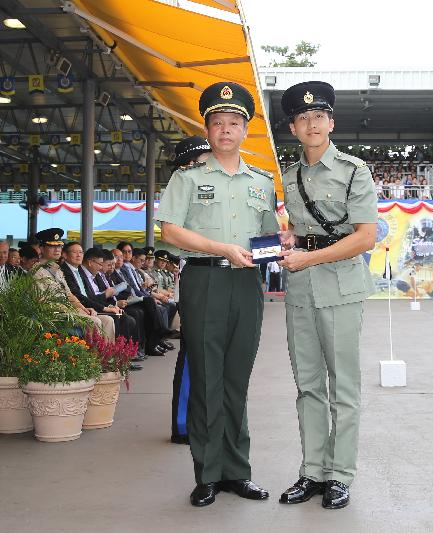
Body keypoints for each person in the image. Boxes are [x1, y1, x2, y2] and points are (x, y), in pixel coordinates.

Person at [157, 81, 279, 507]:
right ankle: (207, 473)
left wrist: (284, 240)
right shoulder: (187, 178)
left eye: (234, 123)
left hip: (247, 284)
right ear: (207, 130)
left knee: (237, 378)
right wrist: (221, 247)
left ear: (245, 130)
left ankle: (236, 472)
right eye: (217, 123)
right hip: (204, 280)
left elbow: (268, 237)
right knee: (207, 376)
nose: (225, 130)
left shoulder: (262, 182)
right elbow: (170, 229)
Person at [277, 81, 378, 510]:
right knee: (308, 387)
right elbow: (298, 232)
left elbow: (365, 238)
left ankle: (340, 475)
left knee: (344, 389)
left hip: (341, 286)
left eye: (319, 116)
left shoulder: (355, 170)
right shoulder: (288, 175)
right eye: (303, 118)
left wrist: (307, 258)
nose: (312, 123)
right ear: (294, 128)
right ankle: (312, 471)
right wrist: (287, 242)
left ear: (331, 123)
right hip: (300, 290)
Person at [166, 136, 212, 447]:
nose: (193, 168)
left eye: (198, 161)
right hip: (198, 274)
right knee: (192, 352)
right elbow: (172, 234)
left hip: (233, 277)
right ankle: (183, 423)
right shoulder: (181, 189)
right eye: (187, 164)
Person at [31, 228, 114, 340]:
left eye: (59, 246)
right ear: (41, 248)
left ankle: (109, 356)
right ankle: (92, 357)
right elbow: (43, 302)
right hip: (53, 315)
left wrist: (83, 308)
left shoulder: (56, 269)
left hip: (68, 312)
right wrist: (73, 310)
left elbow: (69, 295)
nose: (57, 250)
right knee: (93, 321)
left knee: (108, 320)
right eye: (52, 246)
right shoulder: (36, 271)